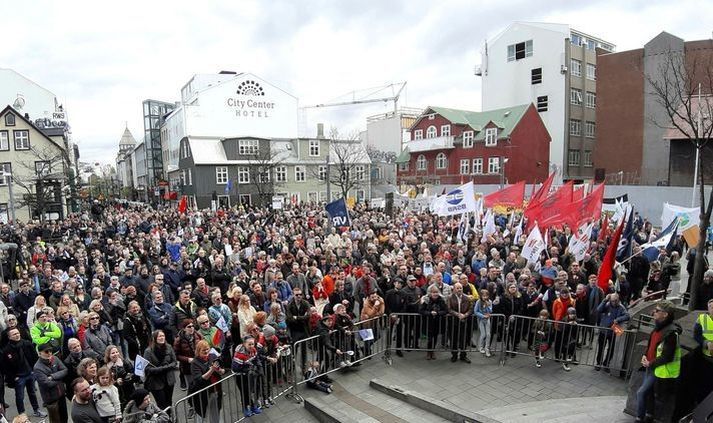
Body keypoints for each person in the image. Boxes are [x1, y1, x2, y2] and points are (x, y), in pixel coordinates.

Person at [636, 301, 682, 423]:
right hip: (650, 366)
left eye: (657, 311)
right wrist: (644, 356)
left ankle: (639, 418)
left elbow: (667, 356)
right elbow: (651, 346)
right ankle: (649, 416)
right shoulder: (657, 327)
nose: (654, 312)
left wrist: (649, 363)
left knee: (641, 393)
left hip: (658, 369)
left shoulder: (671, 333)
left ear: (665, 314)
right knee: (649, 393)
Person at [0, 328, 46, 418]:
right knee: (20, 397)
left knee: (32, 393)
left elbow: (34, 357)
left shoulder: (27, 344)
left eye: (18, 333)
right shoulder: (6, 350)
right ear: (9, 337)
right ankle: (22, 414)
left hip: (30, 373)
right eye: (14, 334)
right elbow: (5, 367)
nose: (17, 335)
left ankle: (36, 410)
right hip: (19, 377)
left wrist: (34, 370)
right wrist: (14, 377)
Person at [189, 340, 225, 422]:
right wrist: (212, 369)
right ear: (198, 351)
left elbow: (222, 370)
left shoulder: (212, 356)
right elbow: (200, 379)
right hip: (203, 393)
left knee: (216, 411)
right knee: (202, 413)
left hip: (216, 389)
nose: (206, 351)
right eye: (203, 350)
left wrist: (220, 371)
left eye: (207, 349)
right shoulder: (195, 363)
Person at [142, 330, 177, 412]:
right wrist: (162, 369)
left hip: (168, 380)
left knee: (169, 402)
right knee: (161, 404)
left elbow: (174, 362)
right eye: (159, 336)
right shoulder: (148, 351)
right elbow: (147, 368)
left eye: (163, 336)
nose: (162, 338)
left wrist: (166, 367)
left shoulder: (169, 347)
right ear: (154, 338)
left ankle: (170, 418)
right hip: (156, 383)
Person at [33, 342, 68, 423]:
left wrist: (52, 377)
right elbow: (46, 383)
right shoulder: (37, 367)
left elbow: (65, 370)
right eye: (46, 352)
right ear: (39, 353)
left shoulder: (55, 359)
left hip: (61, 395)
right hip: (51, 399)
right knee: (55, 421)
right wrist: (60, 379)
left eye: (50, 351)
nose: (49, 353)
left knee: (64, 418)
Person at [595, 293, 630, 371]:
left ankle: (606, 363)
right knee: (601, 348)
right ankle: (598, 363)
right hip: (603, 330)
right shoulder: (607, 304)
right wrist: (605, 300)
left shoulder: (621, 307)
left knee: (611, 349)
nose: (614, 302)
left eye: (615, 301)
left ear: (618, 300)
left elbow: (627, 316)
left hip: (614, 331)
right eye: (612, 301)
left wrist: (618, 319)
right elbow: (598, 310)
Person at [232, 335, 262, 418]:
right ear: (244, 344)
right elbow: (235, 368)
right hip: (239, 376)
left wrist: (259, 367)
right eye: (249, 344)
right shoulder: (239, 355)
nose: (251, 346)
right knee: (244, 392)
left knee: (249, 391)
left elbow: (256, 359)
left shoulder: (253, 350)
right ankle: (246, 408)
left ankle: (252, 406)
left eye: (252, 344)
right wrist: (247, 368)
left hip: (248, 374)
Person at [692, 298, 713, 406]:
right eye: (711, 307)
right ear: (708, 308)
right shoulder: (702, 318)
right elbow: (696, 335)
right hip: (706, 359)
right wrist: (706, 343)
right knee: (703, 386)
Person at [419, 285, 447, 360]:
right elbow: (421, 310)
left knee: (435, 337)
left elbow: (445, 310)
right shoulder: (427, 300)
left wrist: (437, 313)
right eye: (434, 292)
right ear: (430, 293)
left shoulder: (441, 300)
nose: (435, 294)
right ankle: (429, 352)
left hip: (438, 322)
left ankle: (433, 351)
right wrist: (430, 313)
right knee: (430, 338)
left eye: (436, 292)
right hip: (428, 322)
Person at [474, 289, 493, 358]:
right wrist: (482, 316)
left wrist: (487, 306)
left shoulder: (490, 301)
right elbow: (475, 311)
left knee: (488, 334)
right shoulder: (478, 302)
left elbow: (490, 311)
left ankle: (487, 348)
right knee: (483, 334)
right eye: (483, 296)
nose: (485, 297)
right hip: (481, 319)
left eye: (486, 296)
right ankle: (480, 347)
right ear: (481, 296)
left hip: (487, 319)